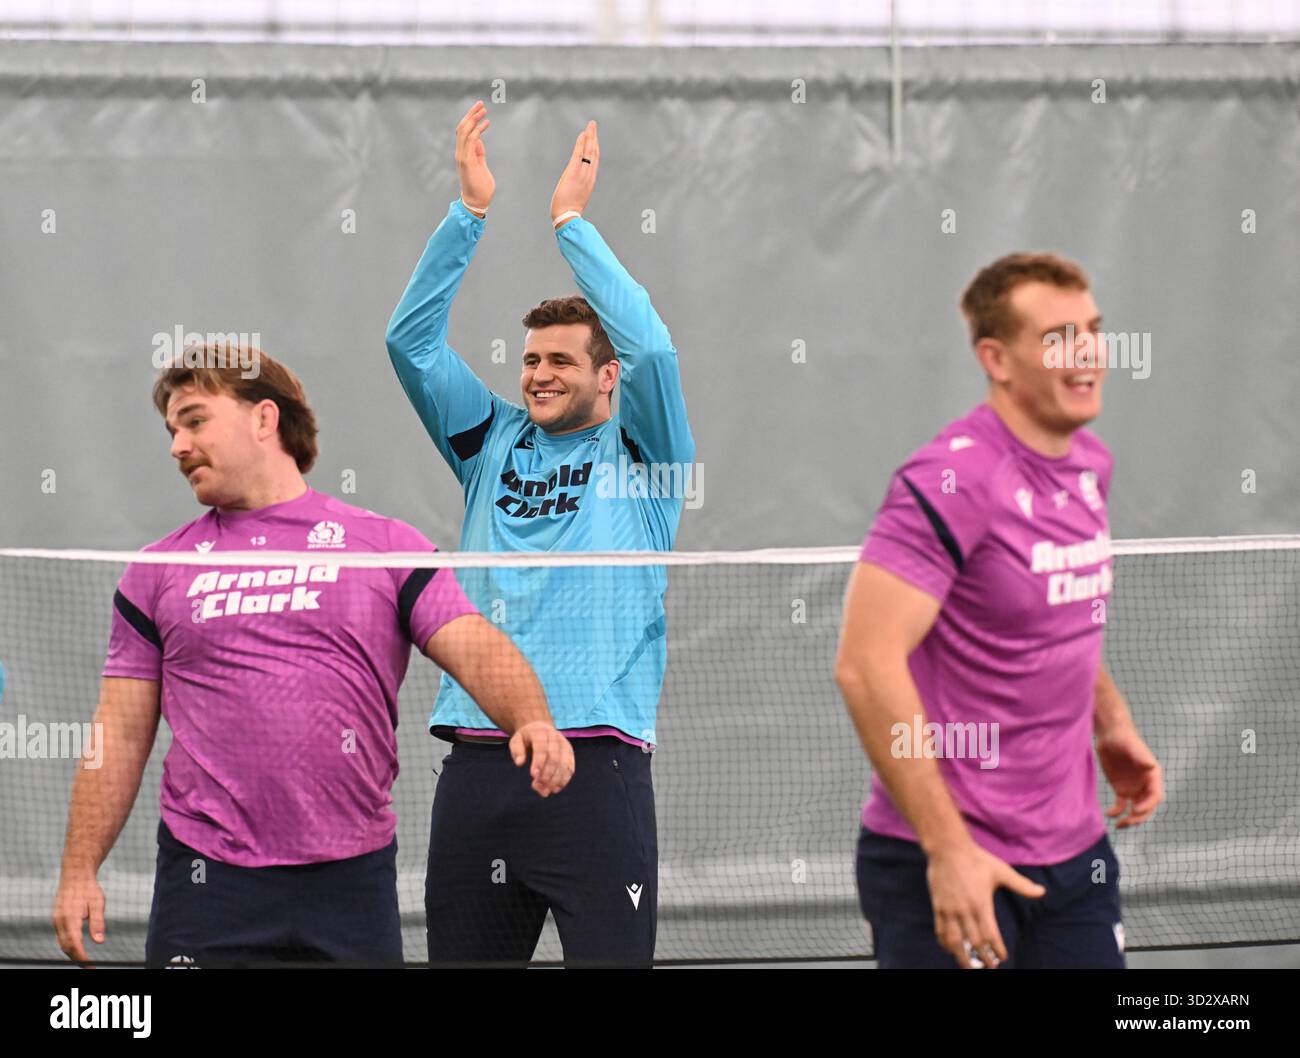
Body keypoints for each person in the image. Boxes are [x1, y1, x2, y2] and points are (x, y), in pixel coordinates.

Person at [52, 346, 572, 967]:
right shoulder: (158, 571)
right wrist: (80, 868)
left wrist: (532, 718)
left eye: (194, 420)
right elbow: (119, 731)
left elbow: (474, 642)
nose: (177, 446)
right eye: (171, 430)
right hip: (206, 882)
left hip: (350, 882)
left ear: (264, 419)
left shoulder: (382, 546)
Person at [386, 103, 694, 965]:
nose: (538, 373)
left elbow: (657, 354)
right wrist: (469, 211)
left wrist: (570, 223)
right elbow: (409, 343)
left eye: (560, 360)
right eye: (529, 359)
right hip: (481, 766)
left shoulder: (646, 453)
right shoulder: (487, 441)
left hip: (598, 772)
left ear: (606, 375)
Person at [835, 253, 1164, 969]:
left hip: (1078, 863)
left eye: (1093, 330)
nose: (1087, 353)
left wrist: (1113, 725)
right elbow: (864, 665)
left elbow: (1057, 614)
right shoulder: (951, 479)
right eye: (1058, 336)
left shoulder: (1090, 465)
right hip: (952, 860)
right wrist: (947, 849)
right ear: (996, 358)